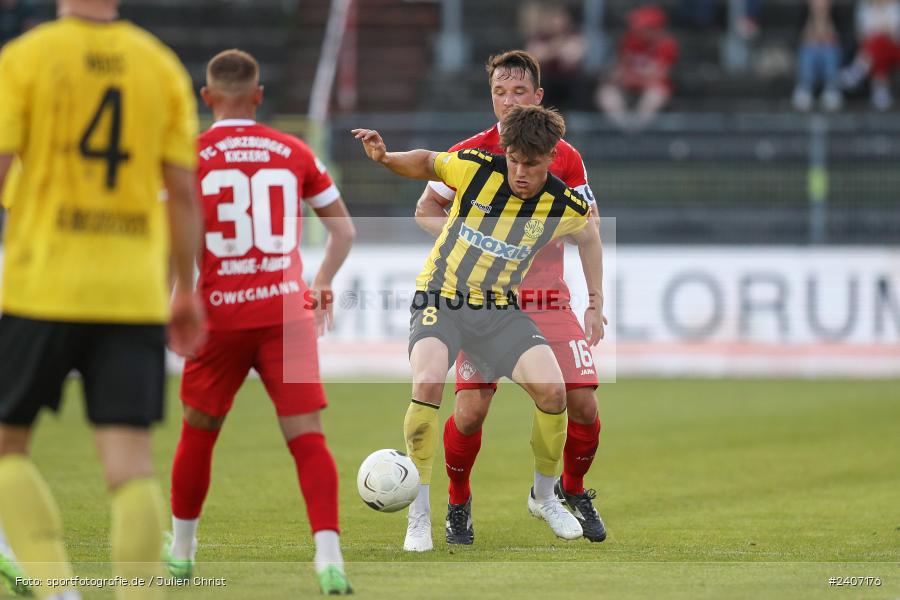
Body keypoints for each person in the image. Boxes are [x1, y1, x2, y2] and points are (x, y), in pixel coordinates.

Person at [0, 0, 204, 599]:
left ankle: (58, 589)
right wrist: (185, 291)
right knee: (129, 467)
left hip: (44, 284)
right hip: (132, 294)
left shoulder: (25, 58)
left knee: (8, 446)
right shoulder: (158, 65)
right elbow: (183, 193)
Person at [353, 103, 607, 549]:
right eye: (514, 160)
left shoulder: (562, 203)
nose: (520, 172)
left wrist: (595, 300)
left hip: (498, 310)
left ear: (551, 158)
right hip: (441, 299)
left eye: (531, 163)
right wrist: (386, 158)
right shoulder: (475, 169)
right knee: (429, 383)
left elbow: (589, 236)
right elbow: (429, 161)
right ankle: (419, 517)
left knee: (553, 391)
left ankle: (546, 499)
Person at [163, 49, 356, 596]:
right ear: (258, 95)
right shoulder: (293, 150)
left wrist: (171, 301)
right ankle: (329, 559)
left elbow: (171, 238)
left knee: (199, 432)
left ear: (207, 98)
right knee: (307, 439)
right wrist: (321, 283)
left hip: (219, 313)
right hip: (285, 315)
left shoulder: (191, 154)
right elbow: (343, 232)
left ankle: (181, 553)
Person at [412, 50, 607, 551]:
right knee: (472, 411)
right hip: (484, 299)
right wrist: (473, 240)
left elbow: (590, 228)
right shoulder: (475, 152)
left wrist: (594, 300)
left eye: (518, 92)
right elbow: (425, 209)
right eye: (500, 92)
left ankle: (570, 491)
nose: (508, 101)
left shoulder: (565, 155)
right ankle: (457, 501)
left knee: (580, 401)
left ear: (538, 98)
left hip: (547, 299)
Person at [596, 5, 679, 131]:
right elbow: (620, 70)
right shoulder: (629, 40)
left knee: (654, 96)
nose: (638, 29)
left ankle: (637, 131)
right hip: (629, 87)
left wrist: (632, 77)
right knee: (605, 93)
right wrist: (625, 77)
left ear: (654, 28)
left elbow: (659, 76)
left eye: (643, 26)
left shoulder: (666, 45)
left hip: (652, 88)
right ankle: (624, 129)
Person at [522, 2, 588, 110]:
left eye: (559, 18)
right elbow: (534, 56)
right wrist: (558, 47)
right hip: (547, 80)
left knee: (577, 84)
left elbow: (572, 57)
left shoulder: (574, 35)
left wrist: (549, 50)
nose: (556, 22)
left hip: (568, 80)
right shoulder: (540, 36)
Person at [841, 0, 900, 110]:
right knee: (878, 45)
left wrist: (879, 31)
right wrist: (882, 30)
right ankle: (880, 89)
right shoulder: (864, 7)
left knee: (879, 43)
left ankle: (859, 69)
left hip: (895, 49)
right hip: (873, 49)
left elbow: (895, 34)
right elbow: (862, 36)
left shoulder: (895, 6)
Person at [793, 0, 843, 112]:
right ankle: (805, 88)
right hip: (810, 52)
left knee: (830, 52)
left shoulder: (837, 13)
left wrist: (829, 37)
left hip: (829, 52)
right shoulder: (802, 13)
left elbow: (844, 39)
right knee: (807, 51)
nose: (820, 4)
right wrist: (811, 37)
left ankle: (831, 89)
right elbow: (797, 39)